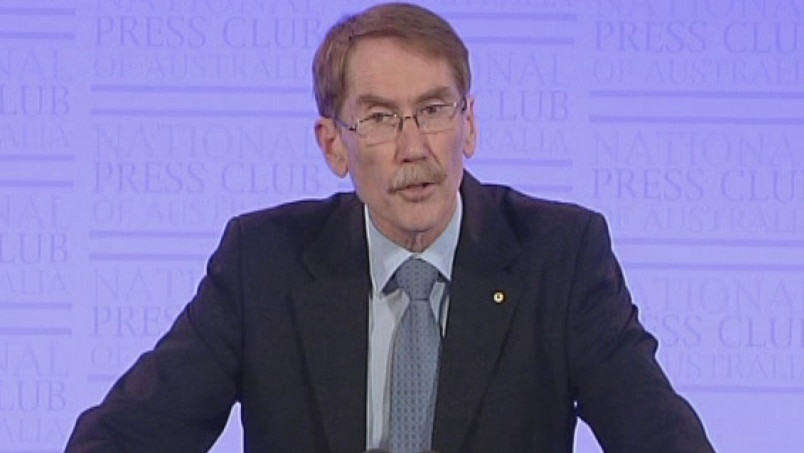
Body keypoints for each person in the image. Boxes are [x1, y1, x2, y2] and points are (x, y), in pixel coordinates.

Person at [65, 3, 716, 453]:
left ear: (469, 125)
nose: (415, 148)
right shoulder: (262, 261)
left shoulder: (560, 256)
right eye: (379, 118)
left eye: (433, 110)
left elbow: (661, 438)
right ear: (334, 145)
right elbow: (122, 437)